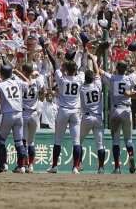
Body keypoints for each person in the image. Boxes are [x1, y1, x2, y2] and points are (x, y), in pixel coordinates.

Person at [42, 40, 83, 174]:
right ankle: (76, 167)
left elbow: (54, 63)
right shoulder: (79, 78)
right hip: (76, 112)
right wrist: (85, 52)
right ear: (75, 70)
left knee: (58, 140)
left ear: (66, 69)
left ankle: (54, 166)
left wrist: (47, 49)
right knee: (76, 141)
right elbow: (82, 67)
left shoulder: (62, 78)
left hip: (64, 111)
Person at [100, 53, 136, 174]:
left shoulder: (112, 78)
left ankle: (117, 167)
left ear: (117, 69)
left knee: (116, 141)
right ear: (125, 69)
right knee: (128, 139)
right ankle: (131, 155)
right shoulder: (129, 78)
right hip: (127, 110)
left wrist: (97, 55)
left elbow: (100, 71)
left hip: (115, 110)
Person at [0, 58, 29, 173]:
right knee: (19, 141)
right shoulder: (17, 82)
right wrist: (18, 73)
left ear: (1, 74)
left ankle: (3, 165)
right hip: (19, 114)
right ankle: (22, 166)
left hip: (8, 114)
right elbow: (28, 82)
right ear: (11, 73)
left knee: (0, 140)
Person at [79, 56, 106, 174]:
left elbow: (92, 74)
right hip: (99, 117)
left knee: (78, 141)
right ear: (93, 79)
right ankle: (101, 167)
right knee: (100, 144)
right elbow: (97, 72)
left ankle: (78, 163)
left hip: (87, 117)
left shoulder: (82, 88)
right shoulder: (98, 85)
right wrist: (94, 60)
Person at [20, 62, 46, 172]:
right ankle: (30, 165)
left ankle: (23, 165)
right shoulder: (37, 81)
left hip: (24, 112)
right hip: (35, 113)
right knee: (31, 142)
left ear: (24, 71)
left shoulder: (20, 82)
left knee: (23, 141)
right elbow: (44, 89)